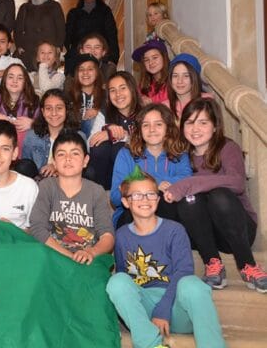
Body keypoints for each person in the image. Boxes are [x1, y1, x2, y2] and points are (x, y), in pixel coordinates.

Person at [106, 167, 225, 348]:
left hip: (177, 307)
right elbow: (125, 277)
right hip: (145, 312)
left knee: (193, 284)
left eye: (150, 194)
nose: (145, 200)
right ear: (125, 202)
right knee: (117, 281)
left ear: (158, 199)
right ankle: (151, 345)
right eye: (137, 195)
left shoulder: (174, 230)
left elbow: (184, 271)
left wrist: (163, 310)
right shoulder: (121, 235)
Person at [165, 98, 267, 293]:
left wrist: (189, 184)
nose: (195, 129)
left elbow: (237, 182)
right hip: (203, 234)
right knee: (189, 200)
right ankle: (213, 263)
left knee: (219, 195)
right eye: (189, 122)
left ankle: (248, 265)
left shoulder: (227, 148)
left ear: (215, 126)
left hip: (238, 229)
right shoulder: (181, 156)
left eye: (203, 122)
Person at [29, 131, 115, 265]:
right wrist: (71, 257)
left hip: (88, 259)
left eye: (75, 153)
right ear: (54, 162)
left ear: (85, 161)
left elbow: (107, 236)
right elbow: (37, 229)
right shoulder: (47, 186)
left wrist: (91, 253)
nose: (68, 158)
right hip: (53, 256)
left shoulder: (96, 191)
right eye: (61, 154)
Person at [111, 104, 192, 228]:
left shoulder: (179, 154)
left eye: (158, 124)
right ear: (139, 130)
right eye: (146, 125)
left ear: (168, 128)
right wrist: (155, 185)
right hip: (131, 215)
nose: (152, 129)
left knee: (166, 200)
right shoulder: (126, 154)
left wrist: (135, 185)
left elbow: (187, 181)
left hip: (169, 212)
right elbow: (116, 197)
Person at [87, 71, 143, 189]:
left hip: (137, 168)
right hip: (105, 173)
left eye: (123, 88)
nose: (118, 94)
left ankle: (123, 192)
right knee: (100, 147)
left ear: (132, 89)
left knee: (120, 149)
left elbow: (147, 145)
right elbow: (91, 143)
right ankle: (99, 192)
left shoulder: (145, 113)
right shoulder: (105, 113)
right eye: (112, 90)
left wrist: (121, 135)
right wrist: (107, 131)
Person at [64, 0, 119, 76]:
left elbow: (112, 35)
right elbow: (67, 36)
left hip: (101, 60)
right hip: (77, 58)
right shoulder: (73, 13)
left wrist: (113, 59)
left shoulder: (105, 11)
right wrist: (70, 54)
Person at [21, 89, 80, 179]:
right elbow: (26, 167)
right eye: (48, 108)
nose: (54, 113)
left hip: (67, 181)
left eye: (59, 108)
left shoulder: (78, 137)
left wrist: (56, 166)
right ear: (43, 111)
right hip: (37, 182)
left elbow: (80, 166)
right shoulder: (31, 136)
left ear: (67, 110)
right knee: (23, 166)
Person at [14, 0, 65, 72]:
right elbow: (17, 29)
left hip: (48, 53)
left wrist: (58, 47)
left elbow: (61, 29)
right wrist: (19, 46)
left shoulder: (55, 6)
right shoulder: (24, 8)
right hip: (28, 52)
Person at [0, 63, 40, 152]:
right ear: (4, 80)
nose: (15, 81)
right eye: (10, 77)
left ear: (25, 82)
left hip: (25, 150)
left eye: (20, 78)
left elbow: (45, 127)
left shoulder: (34, 101)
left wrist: (33, 124)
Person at [163, 53, 213, 120]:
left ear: (194, 78)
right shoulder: (165, 107)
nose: (179, 81)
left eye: (186, 76)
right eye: (175, 76)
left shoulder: (206, 101)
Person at [66, 53, 105, 138]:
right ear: (76, 74)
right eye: (81, 69)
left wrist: (98, 112)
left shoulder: (106, 95)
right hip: (75, 139)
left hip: (99, 138)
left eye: (90, 69)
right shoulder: (68, 96)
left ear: (97, 72)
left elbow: (112, 117)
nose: (85, 73)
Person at [132, 40, 170, 105]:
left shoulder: (174, 80)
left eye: (155, 57)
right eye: (146, 60)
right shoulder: (144, 84)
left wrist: (151, 100)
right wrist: (141, 98)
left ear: (164, 57)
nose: (151, 63)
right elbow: (136, 95)